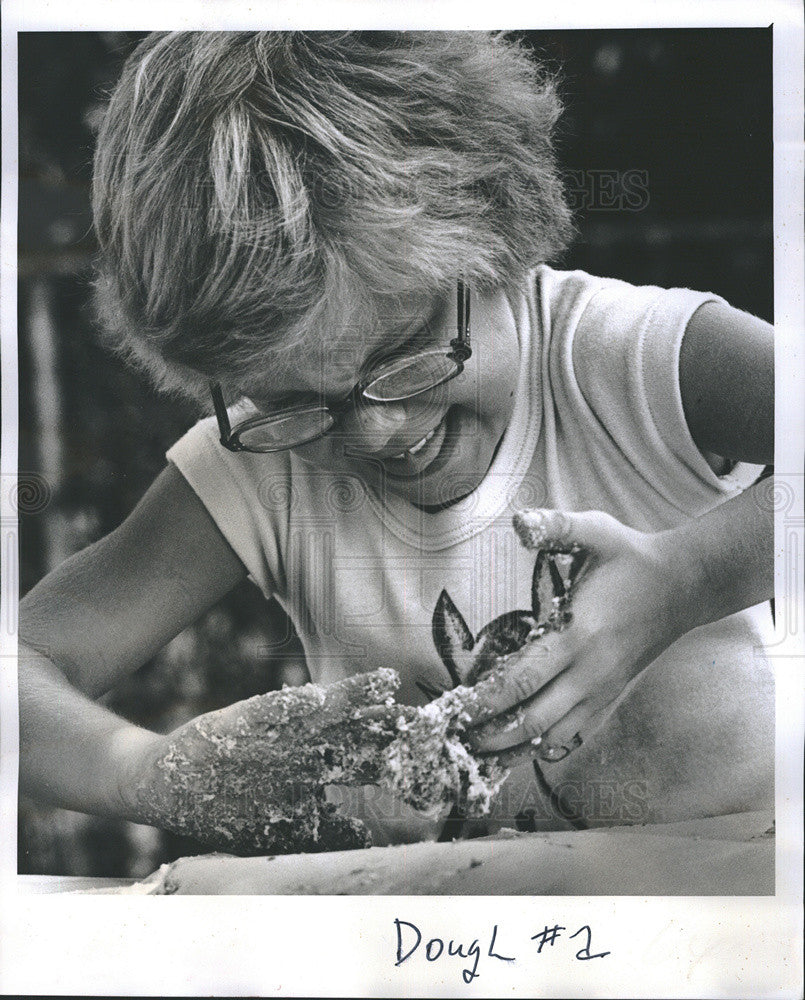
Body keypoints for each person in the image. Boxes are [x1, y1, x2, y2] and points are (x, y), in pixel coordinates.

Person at [19, 30, 774, 854]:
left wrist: (688, 579)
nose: (377, 429)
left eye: (406, 357)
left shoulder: (630, 360)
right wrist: (153, 772)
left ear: (494, 241)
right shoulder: (260, 466)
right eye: (293, 399)